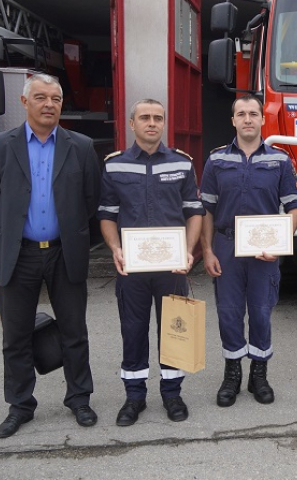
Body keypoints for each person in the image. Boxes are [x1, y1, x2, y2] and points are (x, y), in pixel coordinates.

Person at [0, 74, 100, 438]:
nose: (49, 104)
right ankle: (20, 405)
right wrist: (12, 227)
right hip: (19, 254)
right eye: (41, 97)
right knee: (16, 336)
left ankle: (79, 398)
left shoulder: (81, 146)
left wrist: (70, 230)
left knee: (74, 331)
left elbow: (91, 199)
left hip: (64, 252)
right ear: (25, 102)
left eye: (55, 99)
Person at [98, 99, 204, 426]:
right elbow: (107, 214)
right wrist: (115, 248)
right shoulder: (115, 165)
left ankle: (172, 394)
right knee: (133, 330)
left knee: (175, 330)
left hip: (172, 267)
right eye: (144, 117)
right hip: (132, 267)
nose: (152, 123)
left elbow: (194, 211)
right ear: (132, 124)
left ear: (164, 123)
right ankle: (135, 397)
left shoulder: (182, 163)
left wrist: (189, 251)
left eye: (158, 118)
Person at [200, 95, 297, 407]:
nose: (247, 119)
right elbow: (206, 210)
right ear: (233, 120)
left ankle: (259, 374)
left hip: (264, 249)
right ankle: (232, 373)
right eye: (241, 114)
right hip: (226, 246)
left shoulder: (280, 161)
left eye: (253, 114)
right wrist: (207, 250)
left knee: (261, 311)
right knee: (229, 312)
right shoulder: (216, 160)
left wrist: (280, 243)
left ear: (262, 119)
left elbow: (294, 207)